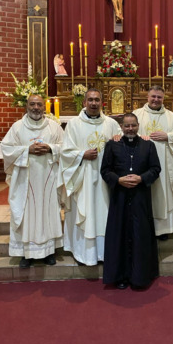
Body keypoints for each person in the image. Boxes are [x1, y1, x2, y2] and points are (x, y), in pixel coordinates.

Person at [58, 88, 121, 265]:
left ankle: (104, 252)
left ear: (102, 103)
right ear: (85, 102)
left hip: (105, 179)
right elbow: (65, 151)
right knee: (85, 212)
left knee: (104, 213)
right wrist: (81, 155)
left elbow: (122, 143)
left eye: (97, 100)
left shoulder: (111, 124)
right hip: (83, 177)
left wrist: (118, 140)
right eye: (90, 100)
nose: (94, 103)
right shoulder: (73, 124)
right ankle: (83, 253)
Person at [1, 94, 65, 268]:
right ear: (26, 106)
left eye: (39, 104)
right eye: (32, 104)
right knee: (25, 214)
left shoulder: (54, 127)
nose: (36, 107)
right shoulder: (17, 127)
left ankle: (49, 252)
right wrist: (27, 149)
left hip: (48, 178)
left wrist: (51, 148)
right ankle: (25, 253)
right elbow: (6, 149)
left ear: (44, 107)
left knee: (48, 212)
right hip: (24, 179)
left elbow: (65, 147)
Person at [101, 113, 162, 290]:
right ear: (121, 126)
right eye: (127, 126)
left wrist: (142, 178)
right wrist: (118, 180)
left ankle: (140, 277)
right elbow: (105, 170)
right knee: (119, 235)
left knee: (140, 234)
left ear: (138, 125)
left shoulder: (148, 145)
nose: (130, 129)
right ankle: (120, 276)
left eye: (133, 125)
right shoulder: (112, 145)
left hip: (140, 198)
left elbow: (156, 169)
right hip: (119, 198)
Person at [132, 85, 173, 240]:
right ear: (147, 97)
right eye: (153, 96)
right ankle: (144, 227)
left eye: (159, 97)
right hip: (142, 164)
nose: (156, 100)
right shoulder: (137, 115)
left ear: (163, 99)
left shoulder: (172, 117)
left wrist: (168, 136)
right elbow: (127, 132)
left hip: (165, 164)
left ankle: (162, 230)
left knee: (163, 195)